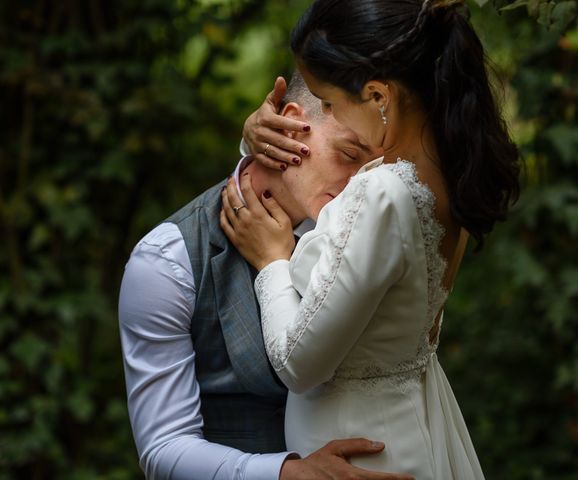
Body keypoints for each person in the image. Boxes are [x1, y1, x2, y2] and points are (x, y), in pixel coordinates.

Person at [220, 0, 521, 479]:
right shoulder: (444, 169)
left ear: (379, 97)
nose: (329, 115)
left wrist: (271, 261)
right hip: (401, 430)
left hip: (366, 457)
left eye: (331, 103)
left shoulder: (383, 193)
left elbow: (299, 363)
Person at [118, 73, 413, 480]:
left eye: (371, 168)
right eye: (348, 154)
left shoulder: (362, 230)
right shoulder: (166, 262)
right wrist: (288, 474)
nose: (360, 184)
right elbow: (163, 448)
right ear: (289, 126)